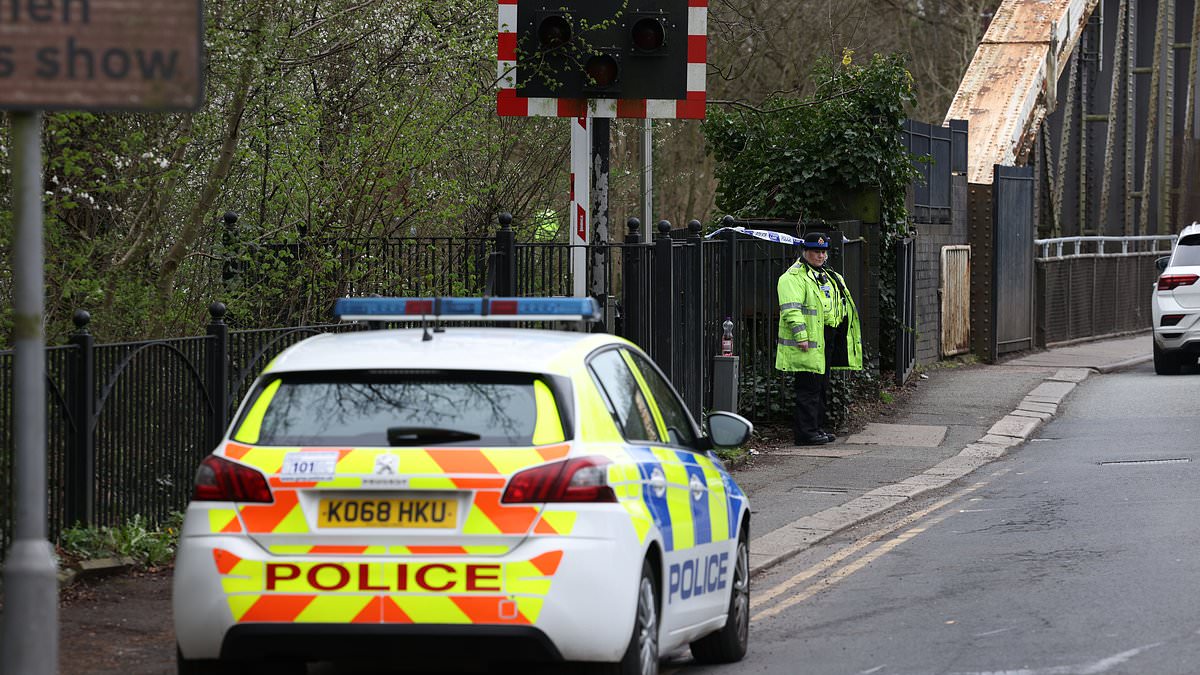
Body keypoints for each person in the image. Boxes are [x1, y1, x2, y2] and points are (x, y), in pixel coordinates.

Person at [776, 231, 863, 445]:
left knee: (821, 386)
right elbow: (791, 310)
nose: (821, 256)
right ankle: (806, 433)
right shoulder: (793, 277)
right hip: (809, 339)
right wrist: (801, 336)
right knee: (808, 387)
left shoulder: (829, 275)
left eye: (823, 252)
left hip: (827, 337)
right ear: (805, 251)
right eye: (816, 251)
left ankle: (817, 428)